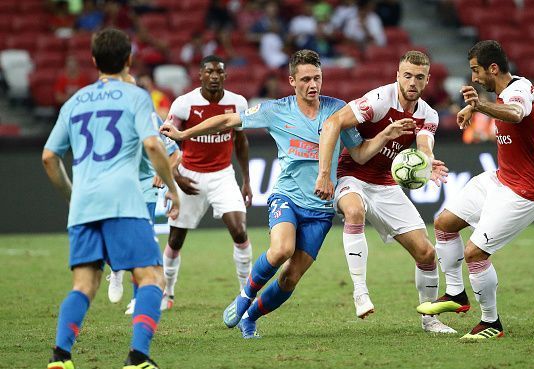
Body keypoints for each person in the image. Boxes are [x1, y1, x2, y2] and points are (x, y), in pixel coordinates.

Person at [160, 49, 415, 339]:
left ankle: (251, 317)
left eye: (317, 78)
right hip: (288, 196)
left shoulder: (337, 110)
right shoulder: (276, 110)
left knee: (291, 277)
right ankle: (245, 296)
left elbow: (358, 154)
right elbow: (227, 121)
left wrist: (383, 136)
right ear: (292, 80)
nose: (312, 85)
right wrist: (183, 135)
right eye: (305, 79)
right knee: (281, 249)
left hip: (321, 208)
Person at [42, 28, 180, 369]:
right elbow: (152, 145)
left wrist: (74, 197)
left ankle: (61, 355)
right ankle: (137, 356)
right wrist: (172, 187)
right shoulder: (136, 96)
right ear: (129, 59)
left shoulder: (73, 102)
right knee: (151, 278)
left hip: (85, 204)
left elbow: (48, 157)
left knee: (84, 284)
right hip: (123, 200)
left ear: (93, 61)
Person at [314, 50, 453, 333]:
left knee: (426, 253)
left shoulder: (429, 115)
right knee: (354, 211)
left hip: (386, 185)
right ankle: (360, 292)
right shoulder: (377, 100)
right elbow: (334, 123)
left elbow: (425, 146)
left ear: (427, 81)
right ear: (397, 76)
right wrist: (325, 174)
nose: (412, 82)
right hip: (352, 175)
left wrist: (427, 164)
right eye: (408, 75)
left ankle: (430, 320)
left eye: (419, 77)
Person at [416, 40, 534, 340]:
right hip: (500, 179)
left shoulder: (520, 90)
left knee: (474, 253)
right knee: (444, 223)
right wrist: (474, 109)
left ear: (493, 68)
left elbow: (515, 113)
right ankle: (456, 294)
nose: (473, 77)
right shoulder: (503, 93)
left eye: (476, 71)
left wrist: (478, 105)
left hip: (524, 192)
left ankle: (491, 323)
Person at [159, 55, 253, 310]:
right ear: (199, 75)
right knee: (175, 239)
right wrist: (176, 177)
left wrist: (245, 180)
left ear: (225, 75)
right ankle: (167, 293)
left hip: (223, 175)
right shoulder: (184, 104)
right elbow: (166, 141)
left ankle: (246, 294)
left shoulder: (237, 103)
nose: (214, 76)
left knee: (240, 231)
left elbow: (241, 142)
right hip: (189, 174)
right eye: (209, 71)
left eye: (219, 72)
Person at [106, 71, 181, 316]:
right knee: (108, 237)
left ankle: (138, 297)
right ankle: (116, 267)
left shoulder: (150, 118)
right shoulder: (107, 116)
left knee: (141, 239)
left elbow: (175, 152)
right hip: (116, 185)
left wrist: (164, 171)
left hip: (146, 187)